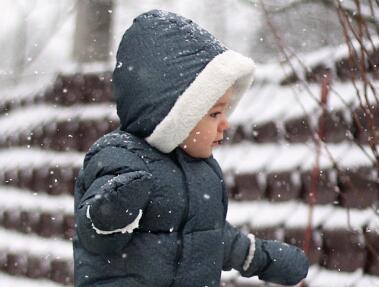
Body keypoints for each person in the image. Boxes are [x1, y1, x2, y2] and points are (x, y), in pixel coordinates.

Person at [73, 9, 309, 287]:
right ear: (174, 115)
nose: (225, 124)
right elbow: (95, 236)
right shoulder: (119, 157)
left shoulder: (203, 171)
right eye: (213, 114)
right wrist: (112, 211)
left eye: (226, 113)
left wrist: (261, 257)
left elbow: (209, 239)